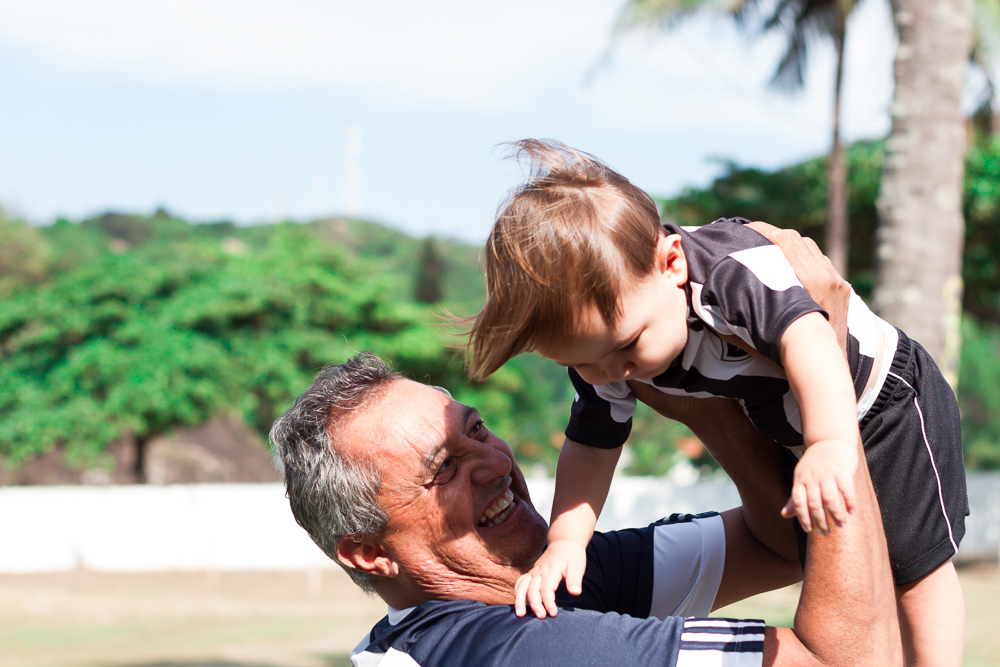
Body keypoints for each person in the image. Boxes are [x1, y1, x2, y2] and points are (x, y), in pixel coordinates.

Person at [464, 140, 967, 666]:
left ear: (671, 264)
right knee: (856, 571)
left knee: (915, 570)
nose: (615, 374)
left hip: (880, 400)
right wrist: (567, 542)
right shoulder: (609, 348)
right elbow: (591, 445)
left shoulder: (729, 275)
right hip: (795, 424)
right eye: (585, 363)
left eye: (629, 346)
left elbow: (810, 337)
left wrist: (828, 442)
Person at [269, 348, 901, 667]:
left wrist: (698, 403)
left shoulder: (535, 583)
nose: (494, 463)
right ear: (368, 552)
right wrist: (829, 415)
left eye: (478, 429)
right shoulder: (502, 649)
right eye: (445, 469)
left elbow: (775, 543)